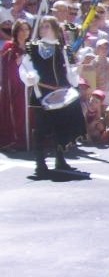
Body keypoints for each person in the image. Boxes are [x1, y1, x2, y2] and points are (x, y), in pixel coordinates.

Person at [19, 16, 86, 177]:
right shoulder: (32, 47)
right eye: (41, 27)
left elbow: (70, 73)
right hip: (42, 94)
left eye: (47, 26)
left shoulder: (64, 49)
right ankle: (40, 162)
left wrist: (78, 69)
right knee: (41, 129)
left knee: (61, 127)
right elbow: (25, 66)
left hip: (62, 95)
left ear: (56, 29)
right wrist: (30, 76)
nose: (43, 29)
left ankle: (60, 159)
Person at [0, 20, 30, 151]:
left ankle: (28, 138)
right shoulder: (9, 45)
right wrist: (17, 60)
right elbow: (6, 63)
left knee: (27, 112)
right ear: (16, 31)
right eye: (21, 29)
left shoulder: (31, 46)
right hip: (14, 85)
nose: (24, 32)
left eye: (27, 29)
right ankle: (15, 140)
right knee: (15, 111)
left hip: (28, 84)